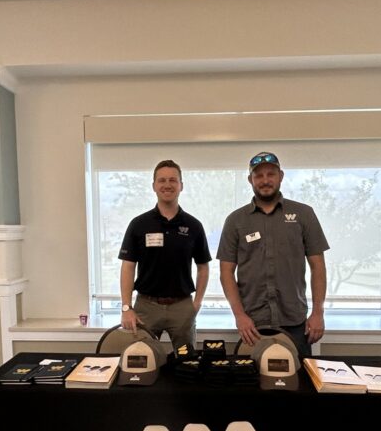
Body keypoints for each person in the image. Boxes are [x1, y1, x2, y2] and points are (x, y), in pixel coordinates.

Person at [218, 151, 329, 358]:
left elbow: (318, 267)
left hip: (295, 322)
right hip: (252, 324)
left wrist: (318, 313)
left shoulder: (304, 214)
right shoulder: (235, 220)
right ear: (250, 179)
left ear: (281, 176)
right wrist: (239, 315)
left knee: (299, 384)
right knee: (252, 385)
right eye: (258, 176)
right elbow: (226, 273)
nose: (265, 180)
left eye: (271, 174)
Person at [118, 160, 211, 349]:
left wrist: (197, 304)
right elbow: (128, 267)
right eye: (161, 180)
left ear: (181, 186)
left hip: (182, 306)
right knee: (144, 362)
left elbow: (203, 267)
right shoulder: (139, 224)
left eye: (172, 180)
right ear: (154, 186)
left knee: (187, 363)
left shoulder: (194, 226)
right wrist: (126, 307)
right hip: (146, 307)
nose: (167, 185)